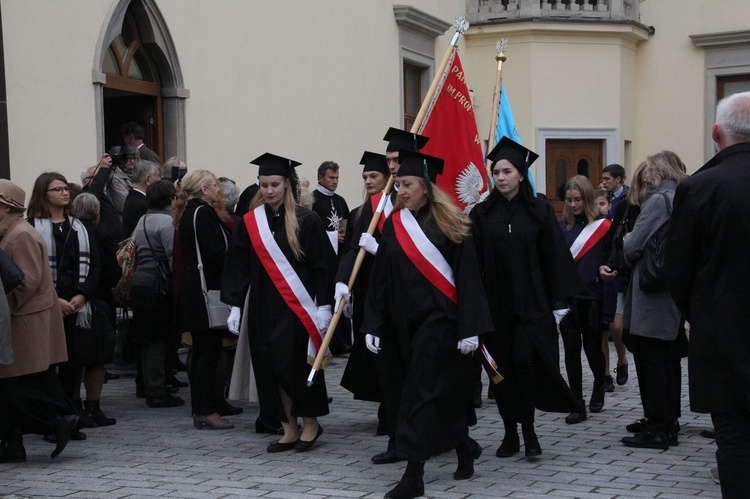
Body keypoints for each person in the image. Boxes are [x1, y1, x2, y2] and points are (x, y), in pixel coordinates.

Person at [362, 149, 493, 498]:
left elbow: (468, 280)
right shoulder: (395, 224)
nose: (400, 190)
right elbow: (381, 279)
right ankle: (463, 447)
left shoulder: (452, 226)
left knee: (417, 395)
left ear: (426, 188)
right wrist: (373, 324)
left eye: (407, 184)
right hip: (404, 325)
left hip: (442, 323)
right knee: (429, 394)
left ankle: (413, 476)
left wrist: (470, 328)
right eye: (398, 184)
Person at [470, 136, 583, 459]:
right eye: (496, 172)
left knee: (526, 364)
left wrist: (559, 303)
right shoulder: (482, 214)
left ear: (521, 174)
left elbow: (555, 258)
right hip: (496, 307)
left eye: (507, 171)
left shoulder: (539, 212)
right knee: (501, 372)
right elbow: (472, 264)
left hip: (532, 308)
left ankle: (530, 431)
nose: (501, 177)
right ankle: (509, 433)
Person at [664, 91, 750, 498]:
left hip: (722, 332)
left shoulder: (699, 187)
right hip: (721, 328)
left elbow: (677, 269)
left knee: (732, 438)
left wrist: (696, 315)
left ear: (717, 133)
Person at [222, 152, 332, 453]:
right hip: (261, 303)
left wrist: (324, 305)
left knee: (294, 365)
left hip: (297, 306)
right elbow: (238, 264)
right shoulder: (250, 222)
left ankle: (310, 423)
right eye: (264, 185)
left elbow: (322, 265)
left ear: (287, 185)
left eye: (275, 184)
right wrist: (234, 305)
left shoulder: (307, 221)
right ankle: (287, 426)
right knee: (270, 366)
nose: (269, 190)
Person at [0, 179, 79, 462]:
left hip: (26, 322)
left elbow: (26, 282)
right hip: (26, 321)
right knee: (19, 387)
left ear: (4, 208)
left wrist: (2, 310)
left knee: (21, 386)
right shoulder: (14, 232)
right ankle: (13, 443)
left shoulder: (19, 235)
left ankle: (60, 419)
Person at [28, 172, 113, 437]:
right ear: (44, 194)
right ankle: (51, 420)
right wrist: (55, 299)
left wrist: (82, 294)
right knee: (47, 366)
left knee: (73, 363)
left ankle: (68, 418)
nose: (65, 193)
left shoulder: (79, 226)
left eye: (66, 188)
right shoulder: (32, 226)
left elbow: (95, 263)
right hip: (46, 303)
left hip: (78, 304)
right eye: (57, 189)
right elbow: (31, 269)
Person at [620, 150, 687, 450]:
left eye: (649, 171)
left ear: (658, 172)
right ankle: (668, 422)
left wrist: (627, 238)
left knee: (653, 360)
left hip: (651, 292)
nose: (646, 176)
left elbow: (633, 247)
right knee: (667, 359)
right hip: (670, 289)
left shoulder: (658, 200)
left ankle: (657, 429)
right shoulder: (682, 198)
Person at [174, 170, 235, 430]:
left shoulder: (192, 212)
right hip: (203, 290)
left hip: (194, 289)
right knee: (207, 353)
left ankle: (210, 404)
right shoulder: (202, 213)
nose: (218, 190)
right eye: (213, 186)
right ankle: (205, 410)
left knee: (204, 350)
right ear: (203, 190)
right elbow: (216, 253)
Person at [336, 152, 389, 428]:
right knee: (369, 347)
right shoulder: (360, 211)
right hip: (367, 287)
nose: (369, 181)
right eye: (365, 177)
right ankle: (382, 402)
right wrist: (342, 283)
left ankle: (390, 407)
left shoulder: (396, 208)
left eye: (374, 176)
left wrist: (380, 250)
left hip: (391, 287)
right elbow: (350, 250)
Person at [558, 176, 611, 424]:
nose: (573, 204)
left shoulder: (602, 227)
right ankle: (576, 402)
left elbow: (609, 257)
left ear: (587, 199)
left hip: (591, 295)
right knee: (570, 350)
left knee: (592, 349)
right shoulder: (561, 227)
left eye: (578, 199)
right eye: (569, 200)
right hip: (568, 297)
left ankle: (599, 385)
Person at [130, 180, 183, 408]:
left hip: (140, 283)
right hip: (158, 287)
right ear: (170, 199)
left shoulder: (142, 220)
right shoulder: (167, 223)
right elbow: (173, 258)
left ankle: (145, 386)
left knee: (147, 339)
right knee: (159, 340)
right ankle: (157, 391)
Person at [71, 193, 119, 425]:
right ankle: (93, 406)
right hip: (98, 300)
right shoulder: (101, 234)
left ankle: (74, 404)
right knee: (97, 358)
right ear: (98, 214)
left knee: (75, 357)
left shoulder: (70, 232)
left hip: (73, 300)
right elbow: (112, 271)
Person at [311, 161, 351, 356]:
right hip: (322, 259)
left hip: (339, 258)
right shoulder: (312, 200)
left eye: (337, 178)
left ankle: (343, 339)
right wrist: (334, 236)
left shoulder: (341, 201)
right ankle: (332, 341)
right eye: (331, 178)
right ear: (320, 178)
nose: (335, 182)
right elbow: (312, 231)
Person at [122, 160, 162, 238]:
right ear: (148, 179)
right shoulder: (141, 204)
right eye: (157, 176)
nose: (160, 180)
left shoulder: (134, 198)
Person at [106, 145, 139, 215]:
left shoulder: (137, 174)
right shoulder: (115, 177)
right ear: (121, 158)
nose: (132, 161)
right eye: (129, 158)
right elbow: (125, 205)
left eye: (135, 158)